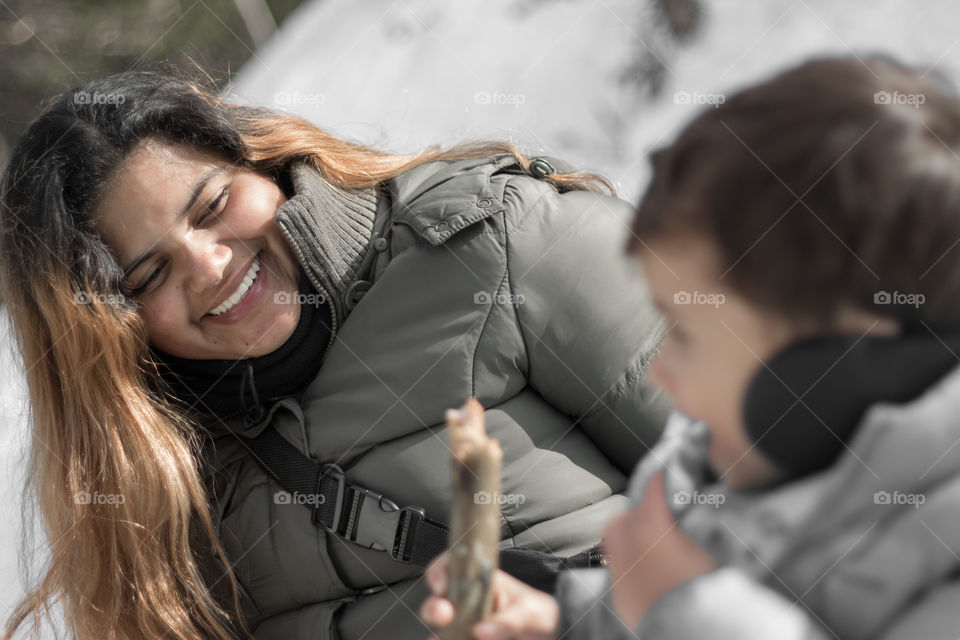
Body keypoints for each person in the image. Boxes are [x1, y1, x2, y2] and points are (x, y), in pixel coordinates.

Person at [0, 68, 670, 640]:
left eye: (213, 206)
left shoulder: (502, 245)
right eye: (149, 277)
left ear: (260, 165)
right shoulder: (164, 486)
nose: (208, 267)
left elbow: (765, 482)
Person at [421, 54, 960, 639]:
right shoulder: (713, 471)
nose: (662, 374)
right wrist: (562, 624)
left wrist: (682, 609)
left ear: (847, 358)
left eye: (686, 333)